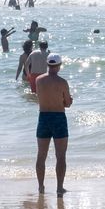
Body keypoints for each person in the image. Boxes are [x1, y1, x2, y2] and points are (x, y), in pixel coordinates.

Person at [34, 54, 72, 194]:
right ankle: (59, 187)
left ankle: (41, 187)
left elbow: (39, 96)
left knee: (41, 154)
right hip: (58, 117)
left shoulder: (39, 80)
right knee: (61, 155)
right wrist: (68, 100)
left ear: (47, 64)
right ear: (59, 65)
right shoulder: (62, 82)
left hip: (43, 117)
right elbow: (67, 103)